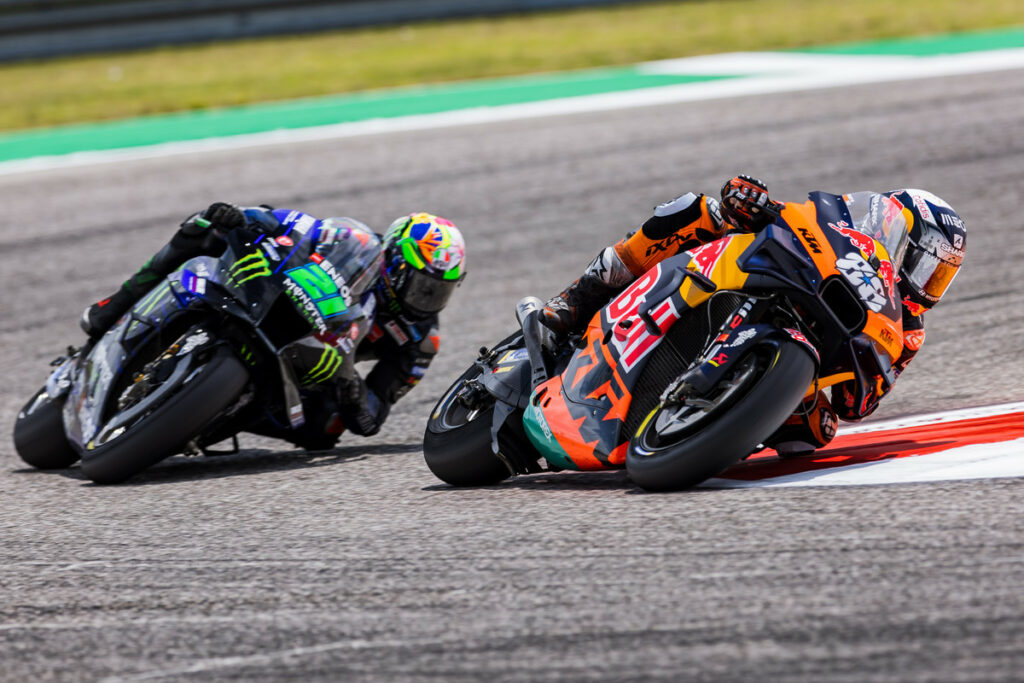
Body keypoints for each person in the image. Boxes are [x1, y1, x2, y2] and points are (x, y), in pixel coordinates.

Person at [540, 175, 966, 455]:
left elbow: (857, 406)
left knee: (817, 431)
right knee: (696, 211)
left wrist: (870, 369)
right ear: (896, 235)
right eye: (926, 265)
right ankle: (578, 297)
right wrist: (752, 200)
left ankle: (714, 425)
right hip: (755, 277)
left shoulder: (907, 331)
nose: (927, 284)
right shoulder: (846, 232)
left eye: (939, 276)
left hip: (807, 363)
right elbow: (792, 219)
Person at [80, 202, 466, 450]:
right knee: (203, 230)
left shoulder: (421, 339)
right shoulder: (355, 240)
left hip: (321, 361)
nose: (426, 300)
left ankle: (216, 416)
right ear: (396, 260)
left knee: (325, 430)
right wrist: (246, 218)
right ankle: (112, 306)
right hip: (280, 294)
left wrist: (351, 392)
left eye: (438, 291)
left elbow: (372, 416)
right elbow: (296, 225)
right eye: (422, 286)